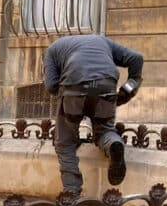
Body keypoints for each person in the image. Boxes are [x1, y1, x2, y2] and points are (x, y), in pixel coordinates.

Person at [43, 34, 144, 195]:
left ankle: (71, 193)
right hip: (106, 85)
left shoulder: (52, 49)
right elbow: (136, 58)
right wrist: (128, 88)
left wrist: (68, 97)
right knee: (105, 130)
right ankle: (113, 145)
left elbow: (50, 86)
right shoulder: (102, 41)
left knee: (65, 141)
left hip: (74, 87)